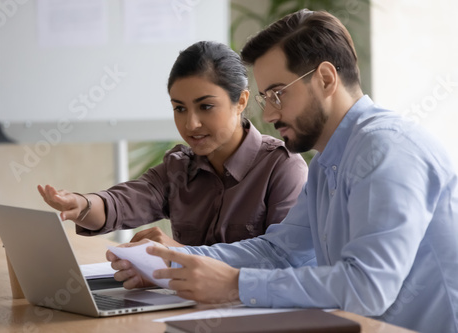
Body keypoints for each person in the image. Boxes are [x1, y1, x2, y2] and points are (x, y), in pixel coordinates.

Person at [107, 10, 458, 333]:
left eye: (277, 94)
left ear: (324, 78)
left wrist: (235, 284)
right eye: (265, 98)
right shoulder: (326, 161)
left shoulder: (386, 150)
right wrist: (174, 263)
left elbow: (368, 288)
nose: (269, 116)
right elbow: (280, 252)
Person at [38, 41, 308, 247]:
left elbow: (280, 259)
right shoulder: (178, 166)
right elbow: (123, 202)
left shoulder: (282, 168)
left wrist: (178, 256)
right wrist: (82, 204)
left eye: (206, 106)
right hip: (185, 310)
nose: (191, 124)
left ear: (241, 101)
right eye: (179, 109)